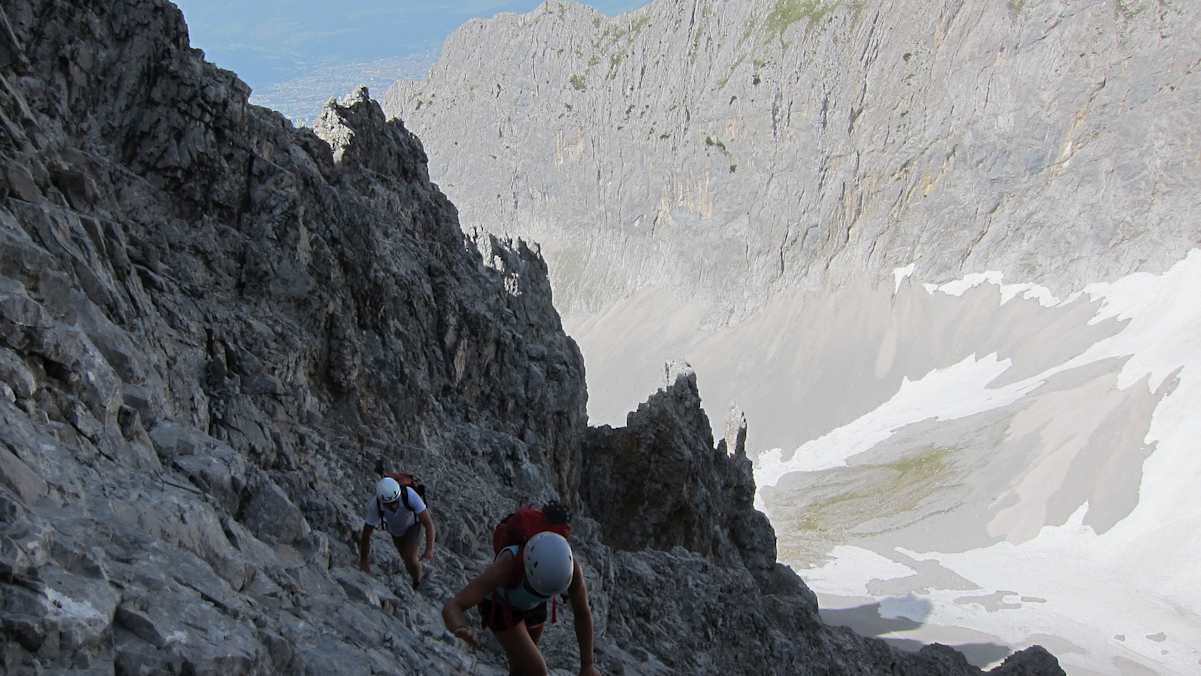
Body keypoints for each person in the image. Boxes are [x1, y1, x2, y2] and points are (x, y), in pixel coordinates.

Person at [443, 529, 600, 676]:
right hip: (499, 606)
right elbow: (455, 605)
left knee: (522, 665)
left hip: (534, 605)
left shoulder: (570, 570)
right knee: (536, 670)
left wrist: (587, 665)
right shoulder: (506, 566)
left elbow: (582, 613)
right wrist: (460, 627)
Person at [358, 476, 436, 589]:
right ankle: (417, 573)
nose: (394, 506)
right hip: (396, 532)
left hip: (413, 526)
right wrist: (363, 560)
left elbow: (428, 523)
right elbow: (366, 534)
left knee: (409, 556)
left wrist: (429, 549)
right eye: (389, 504)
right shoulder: (375, 505)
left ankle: (417, 580)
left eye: (395, 502)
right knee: (406, 558)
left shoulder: (409, 495)